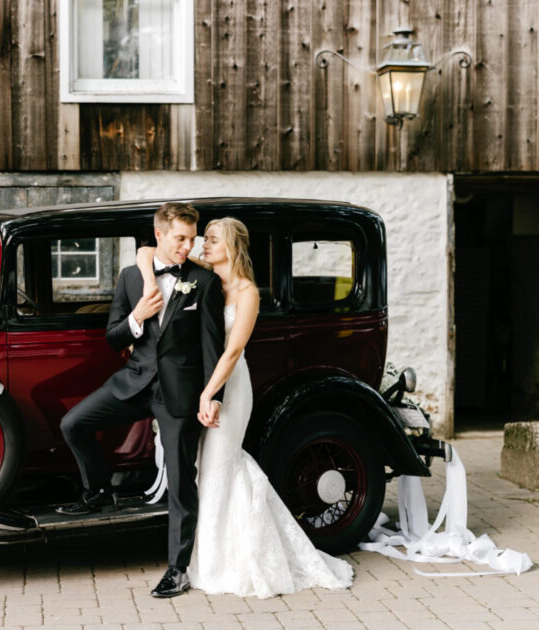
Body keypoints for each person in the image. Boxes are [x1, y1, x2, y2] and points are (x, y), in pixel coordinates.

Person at [136, 217, 353, 598]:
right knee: (203, 471)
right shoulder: (202, 274)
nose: (203, 246)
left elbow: (233, 350)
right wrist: (149, 280)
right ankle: (208, 558)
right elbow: (145, 251)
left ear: (232, 247)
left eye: (212, 240)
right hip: (202, 385)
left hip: (231, 387)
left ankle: (232, 561)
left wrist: (210, 394)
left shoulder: (247, 291)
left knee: (222, 465)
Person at [57, 202, 226, 599]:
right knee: (74, 423)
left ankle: (177, 569)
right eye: (181, 238)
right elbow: (114, 335)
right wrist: (136, 317)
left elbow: (212, 347)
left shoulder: (203, 283)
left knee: (182, 481)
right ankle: (98, 490)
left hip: (179, 394)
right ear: (161, 236)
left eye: (192, 238)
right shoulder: (132, 277)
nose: (188, 246)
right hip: (134, 383)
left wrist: (212, 395)